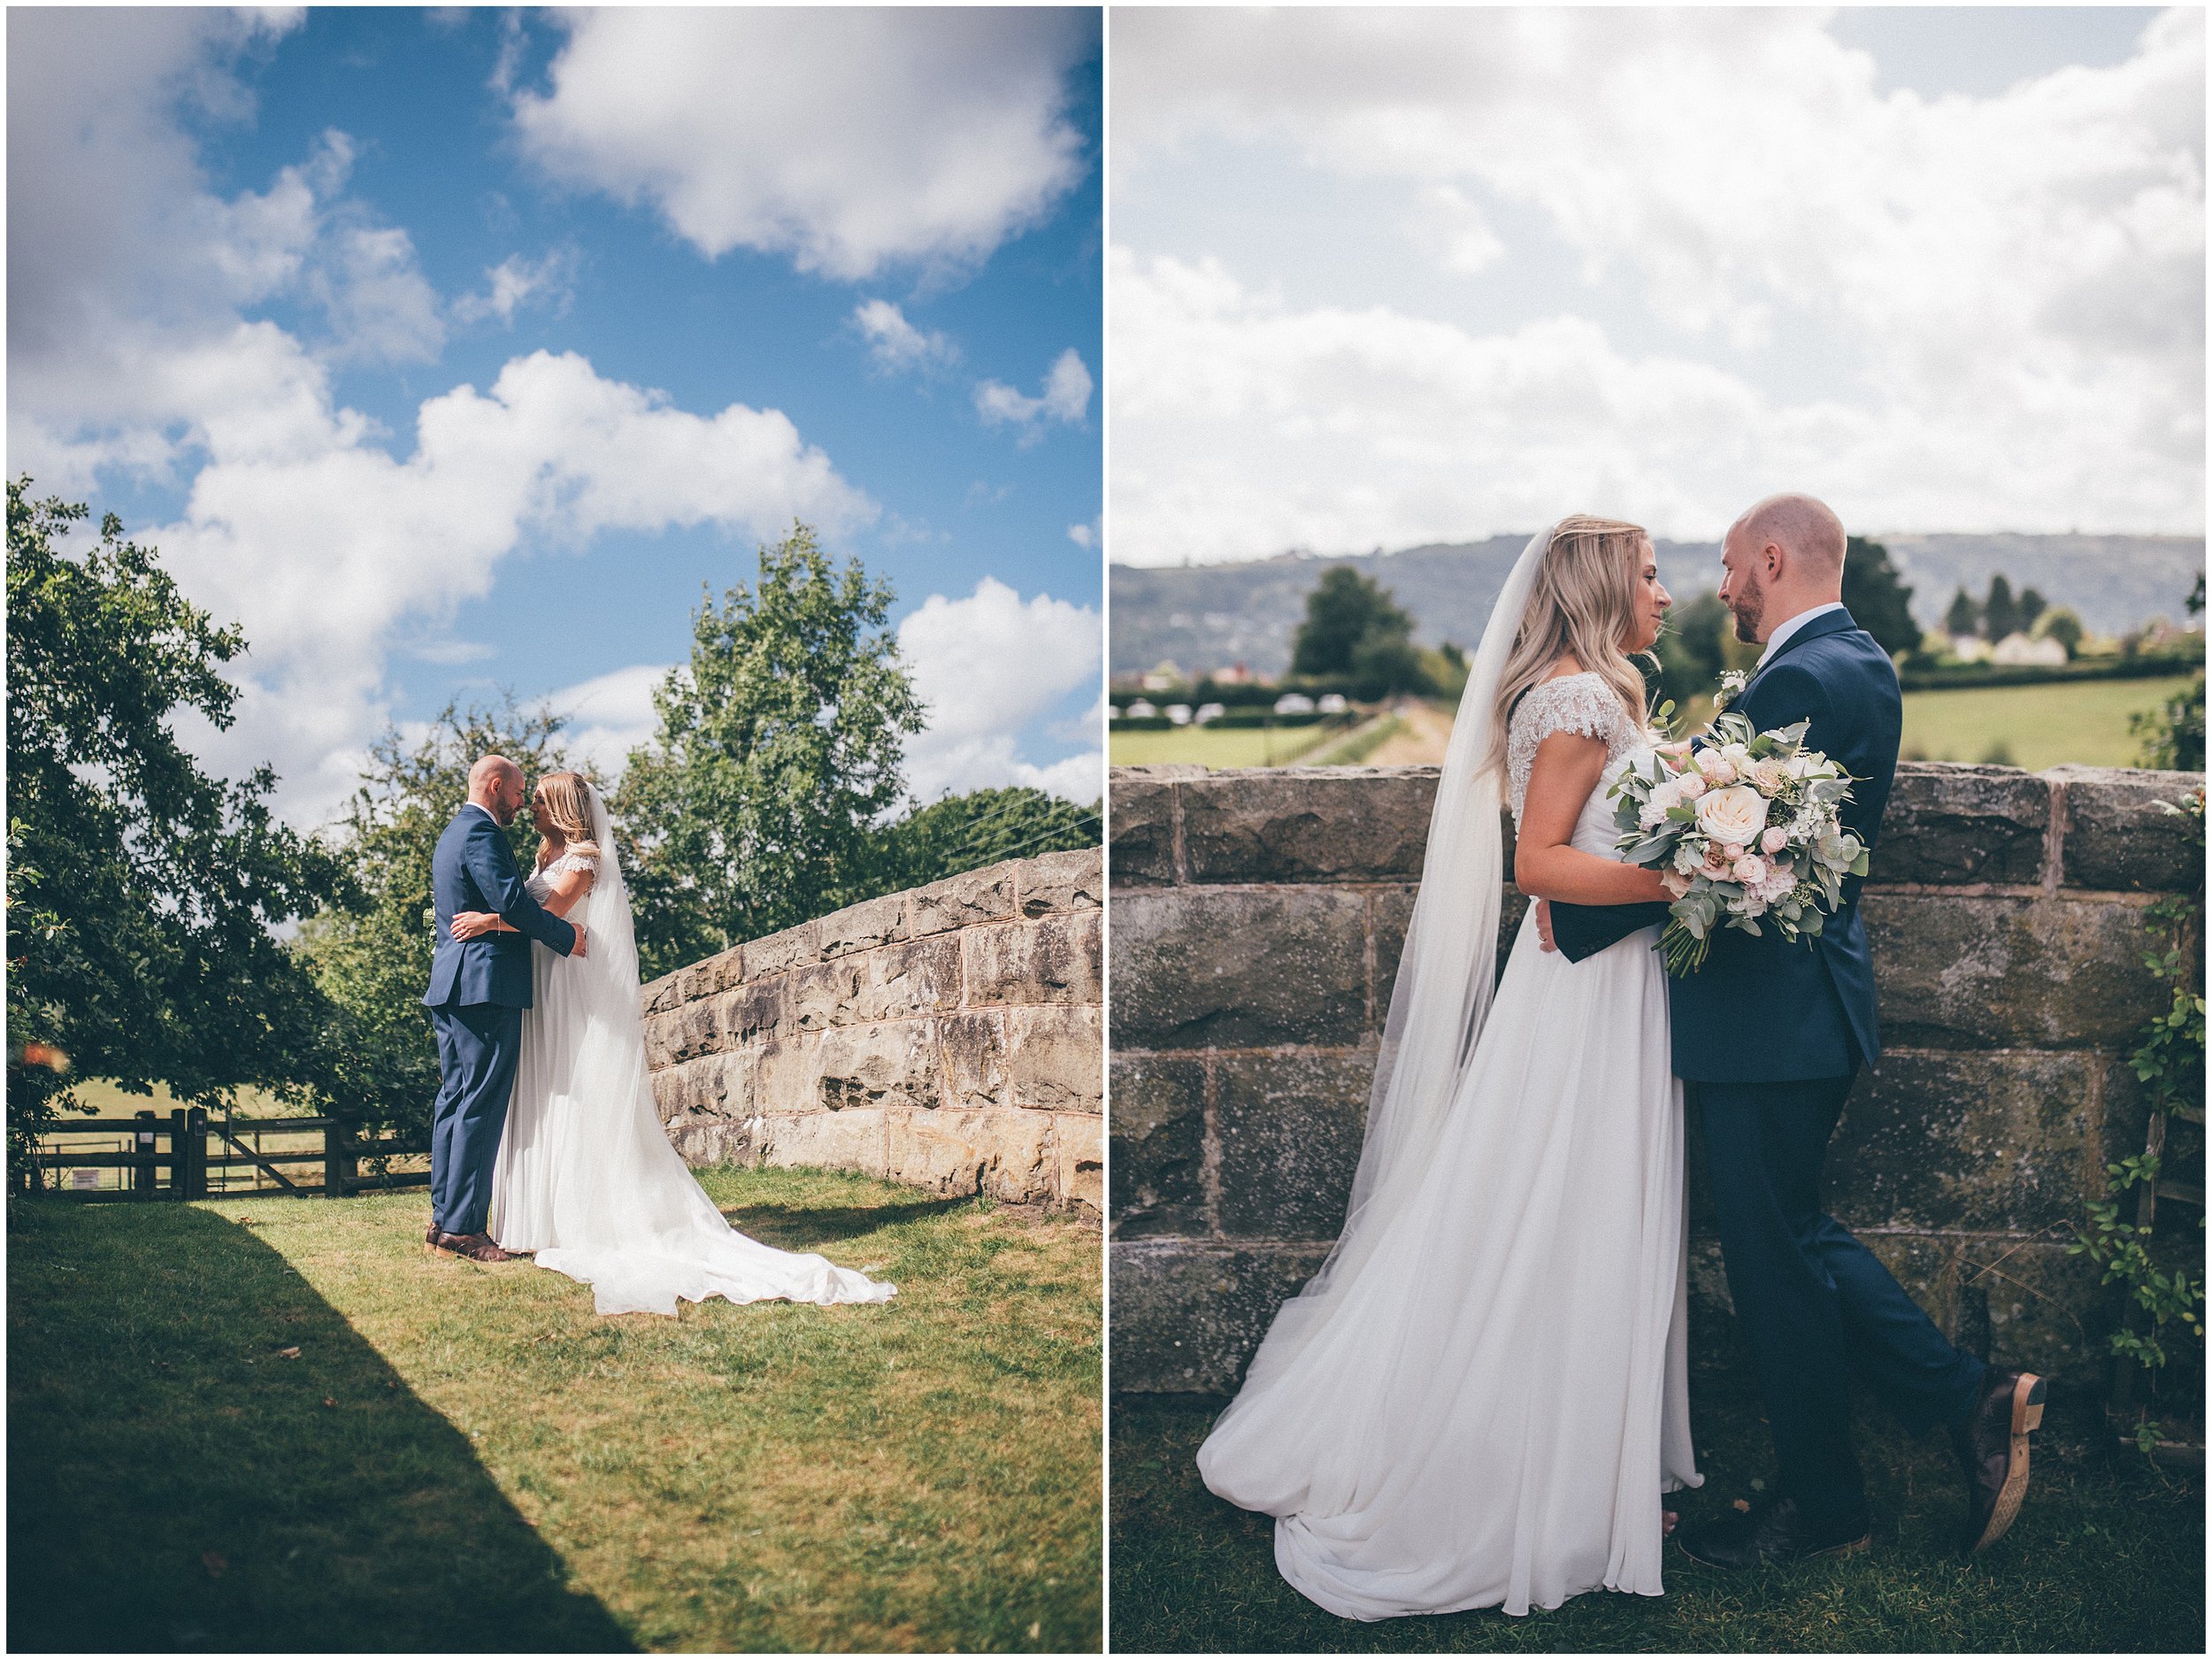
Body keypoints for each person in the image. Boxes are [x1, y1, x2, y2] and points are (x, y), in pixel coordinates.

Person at [1195, 517, 1699, 1618]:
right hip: (1584, 992)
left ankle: (1590, 1471)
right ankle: (1531, 1483)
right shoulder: (1573, 700)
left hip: (1602, 986)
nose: (1667, 591)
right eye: (1651, 574)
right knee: (1561, 1210)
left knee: (1579, 1210)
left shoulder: (1600, 691)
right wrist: (1689, 882)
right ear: (1601, 585)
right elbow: (1541, 864)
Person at [1542, 494, 2044, 1567]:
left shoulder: (1807, 677)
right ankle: (1902, 1449)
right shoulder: (1839, 663)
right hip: (1782, 1016)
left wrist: (1570, 904)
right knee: (1789, 1242)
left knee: (1782, 1256)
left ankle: (1892, 1458)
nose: (1715, 590)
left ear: (1771, 559)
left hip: (1772, 1019)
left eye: (1726, 568)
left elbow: (1721, 853)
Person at [447, 771, 895, 1317]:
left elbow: (550, 915)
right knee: (546, 1092)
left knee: (578, 1091)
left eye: (539, 802)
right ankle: (538, 1216)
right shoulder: (543, 856)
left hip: (570, 982)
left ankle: (586, 1214)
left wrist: (490, 921)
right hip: (543, 980)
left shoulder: (584, 857)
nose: (531, 808)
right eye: (528, 798)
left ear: (562, 806)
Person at [421, 755, 588, 1264]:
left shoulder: (453, 831)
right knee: (481, 1102)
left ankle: (444, 1217)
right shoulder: (483, 834)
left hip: (453, 986)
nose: (521, 802)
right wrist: (568, 937)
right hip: (485, 985)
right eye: (518, 793)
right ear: (496, 786)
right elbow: (513, 904)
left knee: (454, 1099)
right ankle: (465, 1228)